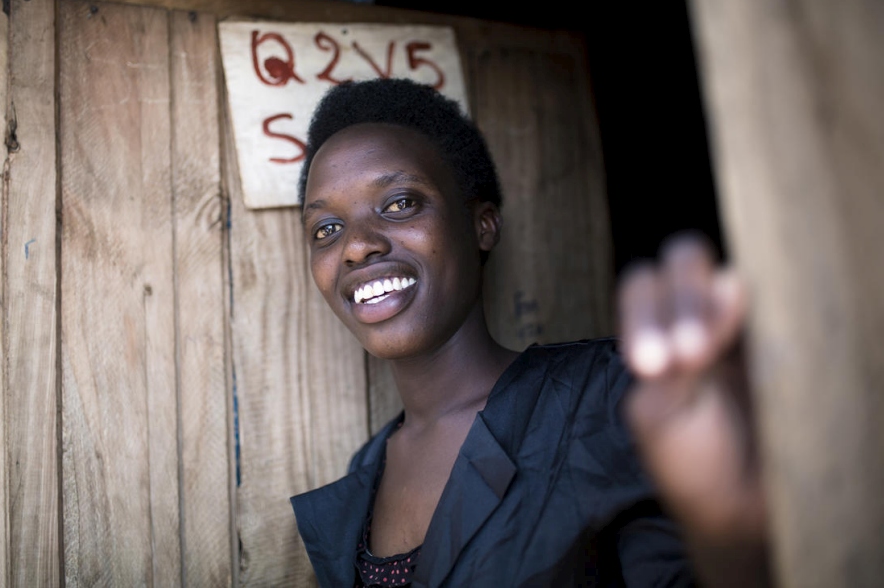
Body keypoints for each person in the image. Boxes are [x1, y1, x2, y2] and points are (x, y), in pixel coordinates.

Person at [290, 78, 766, 587]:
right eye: (327, 229)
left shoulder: (609, 399)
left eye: (401, 203)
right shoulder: (367, 470)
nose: (357, 246)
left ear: (482, 225)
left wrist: (728, 533)